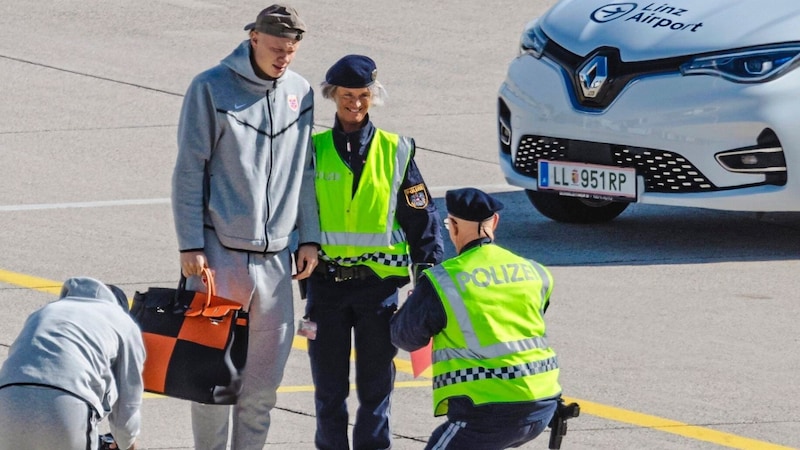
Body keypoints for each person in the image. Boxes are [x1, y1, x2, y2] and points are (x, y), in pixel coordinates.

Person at [170, 4, 320, 449]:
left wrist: (308, 236)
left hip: (276, 263)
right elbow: (188, 169)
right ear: (253, 37)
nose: (283, 59)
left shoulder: (301, 92)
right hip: (219, 258)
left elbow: (305, 172)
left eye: (291, 52)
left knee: (261, 393)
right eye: (276, 48)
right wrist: (189, 244)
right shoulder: (209, 87)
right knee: (212, 387)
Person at [305, 54, 444, 450]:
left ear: (373, 97)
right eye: (347, 95)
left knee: (376, 388)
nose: (355, 103)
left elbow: (422, 219)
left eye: (363, 95)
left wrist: (428, 278)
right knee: (328, 389)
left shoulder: (395, 150)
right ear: (333, 96)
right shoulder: (312, 150)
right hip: (326, 288)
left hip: (378, 290)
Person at [390, 188, 562, 450]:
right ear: (494, 222)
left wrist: (412, 306)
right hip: (543, 404)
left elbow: (405, 337)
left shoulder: (444, 281)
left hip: (487, 411)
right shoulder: (534, 271)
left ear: (455, 226)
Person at [0, 277, 145, 450]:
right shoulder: (123, 322)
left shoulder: (44, 312)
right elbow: (126, 404)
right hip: (68, 405)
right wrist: (127, 443)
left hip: (7, 401)